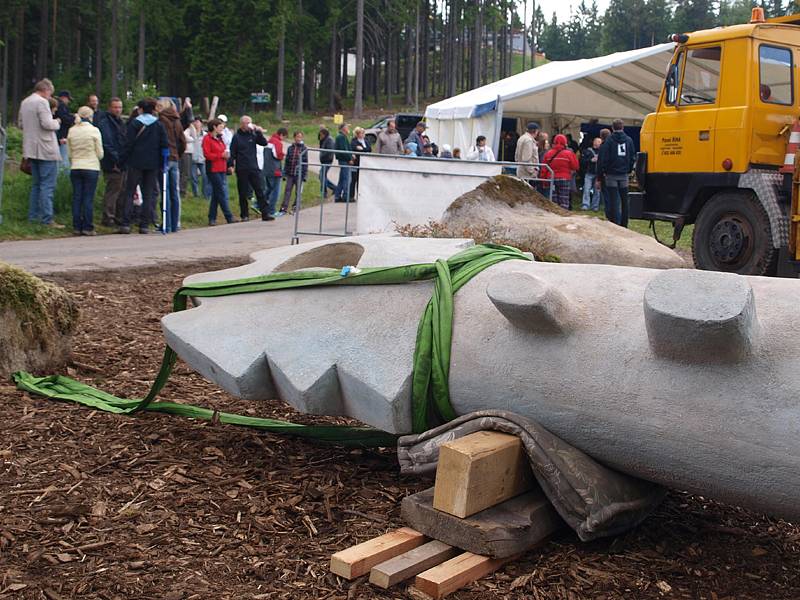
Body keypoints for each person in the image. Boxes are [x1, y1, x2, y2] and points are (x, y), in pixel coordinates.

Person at [119, 97, 168, 234]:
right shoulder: (158, 125)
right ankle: (144, 224)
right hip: (152, 164)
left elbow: (127, 144)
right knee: (148, 193)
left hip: (135, 162)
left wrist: (122, 161)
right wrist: (162, 162)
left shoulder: (134, 124)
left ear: (140, 109)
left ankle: (126, 223)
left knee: (130, 192)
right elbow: (164, 145)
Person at [18, 78, 63, 228]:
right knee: (47, 186)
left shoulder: (25, 102)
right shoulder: (42, 102)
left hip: (31, 149)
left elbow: (20, 124)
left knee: (36, 185)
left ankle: (33, 217)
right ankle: (47, 219)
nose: (50, 97)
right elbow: (47, 124)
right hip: (46, 149)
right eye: (50, 94)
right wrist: (57, 122)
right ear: (46, 90)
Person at [67, 106, 103, 236]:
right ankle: (88, 227)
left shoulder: (72, 131)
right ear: (90, 116)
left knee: (77, 197)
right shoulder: (94, 131)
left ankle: (76, 226)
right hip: (91, 166)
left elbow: (69, 153)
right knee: (88, 198)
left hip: (76, 166)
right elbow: (100, 153)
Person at [229, 115, 268, 221]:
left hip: (253, 167)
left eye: (250, 122)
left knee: (259, 190)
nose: (248, 124)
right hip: (242, 168)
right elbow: (233, 152)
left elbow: (264, 143)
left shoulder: (253, 134)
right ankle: (244, 214)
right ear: (242, 124)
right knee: (243, 192)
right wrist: (230, 164)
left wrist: (259, 132)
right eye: (246, 123)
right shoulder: (237, 137)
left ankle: (265, 213)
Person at [156, 98, 186, 232]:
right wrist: (178, 154)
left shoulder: (161, 120)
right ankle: (175, 223)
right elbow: (182, 141)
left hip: (165, 157)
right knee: (175, 191)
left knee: (165, 191)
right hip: (175, 157)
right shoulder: (177, 120)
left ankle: (166, 223)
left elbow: (160, 140)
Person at [599, 119, 636, 227]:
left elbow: (604, 158)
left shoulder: (609, 141)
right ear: (623, 127)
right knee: (624, 200)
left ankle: (616, 223)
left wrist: (604, 171)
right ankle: (625, 223)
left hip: (611, 174)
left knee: (614, 199)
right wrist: (628, 169)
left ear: (612, 128)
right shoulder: (629, 140)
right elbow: (632, 156)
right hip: (624, 174)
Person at [98, 97, 127, 226]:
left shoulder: (120, 122)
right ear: (110, 108)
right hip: (112, 161)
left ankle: (117, 216)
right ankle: (108, 217)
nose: (118, 110)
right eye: (115, 107)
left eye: (120, 107)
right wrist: (116, 159)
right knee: (113, 190)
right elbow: (107, 143)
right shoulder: (105, 123)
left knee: (121, 189)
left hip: (121, 160)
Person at [202, 118, 236, 226]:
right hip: (213, 168)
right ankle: (228, 216)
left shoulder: (220, 139)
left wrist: (226, 157)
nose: (222, 129)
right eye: (220, 127)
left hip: (222, 168)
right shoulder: (207, 139)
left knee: (216, 194)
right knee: (220, 192)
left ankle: (212, 217)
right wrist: (220, 155)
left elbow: (224, 150)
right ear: (214, 127)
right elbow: (207, 154)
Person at [542, 134, 579, 210]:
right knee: (564, 198)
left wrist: (544, 181)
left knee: (553, 199)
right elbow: (575, 166)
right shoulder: (569, 153)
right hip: (565, 179)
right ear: (565, 142)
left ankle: (554, 214)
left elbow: (544, 168)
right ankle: (563, 214)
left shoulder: (548, 153)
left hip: (552, 179)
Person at [279, 131, 308, 215]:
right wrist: (284, 173)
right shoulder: (290, 148)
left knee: (298, 192)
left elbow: (306, 162)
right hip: (290, 173)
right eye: (297, 137)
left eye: (300, 137)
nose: (298, 139)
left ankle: (295, 207)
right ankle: (283, 208)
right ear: (294, 137)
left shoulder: (304, 148)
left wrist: (305, 175)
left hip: (300, 174)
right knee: (287, 191)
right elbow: (287, 161)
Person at [263, 127, 288, 219]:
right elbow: (277, 155)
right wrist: (283, 155)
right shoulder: (277, 142)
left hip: (267, 168)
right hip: (275, 169)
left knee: (268, 189)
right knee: (276, 191)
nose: (284, 139)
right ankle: (271, 210)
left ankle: (259, 204)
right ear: (281, 135)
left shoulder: (270, 140)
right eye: (284, 137)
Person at [186, 117, 210, 199]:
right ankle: (196, 194)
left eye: (198, 122)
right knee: (194, 177)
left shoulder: (205, 135)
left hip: (202, 158)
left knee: (205, 176)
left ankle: (205, 193)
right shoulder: (190, 133)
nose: (196, 124)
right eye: (195, 122)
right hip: (193, 157)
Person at [580, 137, 602, 211]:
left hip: (598, 173)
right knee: (586, 189)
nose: (598, 143)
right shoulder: (587, 151)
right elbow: (582, 161)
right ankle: (585, 205)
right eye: (597, 141)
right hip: (589, 173)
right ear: (593, 142)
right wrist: (590, 160)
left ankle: (595, 206)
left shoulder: (602, 152)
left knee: (597, 191)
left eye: (599, 142)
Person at [515, 122, 540, 187]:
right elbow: (526, 158)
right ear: (536, 131)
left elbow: (516, 156)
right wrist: (532, 171)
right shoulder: (529, 140)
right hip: (527, 174)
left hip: (521, 171)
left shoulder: (521, 138)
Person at [349, 127, 371, 199]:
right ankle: (351, 196)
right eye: (361, 133)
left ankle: (360, 196)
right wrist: (362, 150)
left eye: (363, 133)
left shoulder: (366, 140)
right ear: (357, 134)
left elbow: (369, 149)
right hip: (356, 163)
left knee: (361, 181)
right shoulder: (354, 141)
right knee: (353, 180)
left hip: (364, 163)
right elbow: (354, 148)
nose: (363, 134)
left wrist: (362, 149)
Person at [55, 90, 74, 171]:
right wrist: (73, 118)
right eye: (68, 99)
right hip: (62, 135)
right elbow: (64, 118)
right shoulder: (61, 106)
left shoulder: (56, 104)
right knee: (63, 158)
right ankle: (64, 178)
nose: (68, 101)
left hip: (58, 135)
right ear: (64, 98)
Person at [334, 123, 353, 202]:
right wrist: (349, 159)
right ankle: (345, 196)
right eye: (347, 127)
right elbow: (343, 150)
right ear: (343, 128)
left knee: (342, 179)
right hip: (344, 160)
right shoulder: (341, 137)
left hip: (344, 160)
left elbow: (347, 148)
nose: (348, 128)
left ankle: (337, 196)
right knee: (347, 179)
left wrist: (351, 155)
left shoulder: (343, 137)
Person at [598, 128, 613, 222]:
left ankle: (609, 215)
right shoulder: (614, 144)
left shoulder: (603, 146)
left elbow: (600, 163)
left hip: (605, 175)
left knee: (607, 197)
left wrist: (599, 178)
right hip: (615, 173)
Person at [318, 127, 337, 198]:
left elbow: (330, 150)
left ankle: (326, 191)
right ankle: (330, 190)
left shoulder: (329, 140)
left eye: (321, 135)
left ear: (324, 134)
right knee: (322, 176)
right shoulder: (324, 139)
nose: (321, 136)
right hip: (324, 161)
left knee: (322, 176)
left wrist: (323, 154)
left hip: (327, 160)